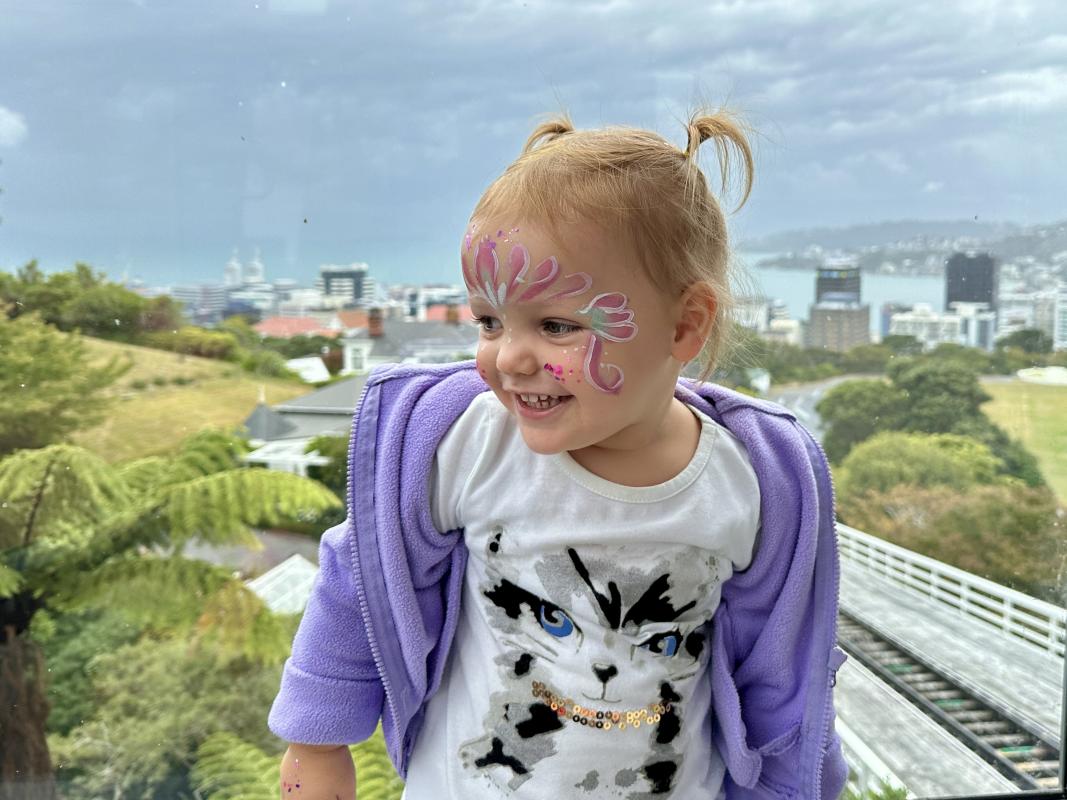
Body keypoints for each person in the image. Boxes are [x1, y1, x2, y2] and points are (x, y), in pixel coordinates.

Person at [268, 111, 849, 800]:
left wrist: (802, 786)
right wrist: (317, 739)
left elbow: (781, 674)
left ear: (685, 324)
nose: (507, 356)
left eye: (555, 326)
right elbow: (359, 581)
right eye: (488, 321)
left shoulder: (747, 483)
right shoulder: (468, 445)